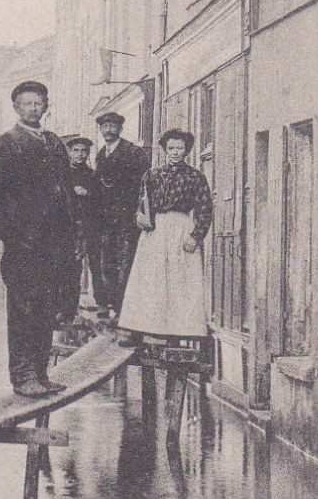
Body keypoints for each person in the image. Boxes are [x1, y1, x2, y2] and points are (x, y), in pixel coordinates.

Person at [0, 80, 74, 398]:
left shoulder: (55, 144)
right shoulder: (7, 144)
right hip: (22, 245)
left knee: (47, 308)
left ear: (46, 107)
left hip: (53, 243)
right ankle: (23, 376)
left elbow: (66, 193)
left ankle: (42, 374)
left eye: (39, 103)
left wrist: (69, 234)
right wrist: (10, 235)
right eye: (28, 103)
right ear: (17, 108)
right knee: (24, 309)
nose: (34, 108)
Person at [117, 128, 214, 339]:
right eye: (171, 148)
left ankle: (180, 330)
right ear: (164, 149)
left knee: (181, 279)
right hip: (156, 230)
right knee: (150, 278)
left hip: (181, 227)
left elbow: (205, 209)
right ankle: (143, 327)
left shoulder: (195, 176)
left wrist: (195, 236)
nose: (175, 152)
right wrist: (140, 217)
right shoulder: (152, 175)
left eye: (180, 148)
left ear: (187, 150)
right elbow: (140, 204)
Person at [91, 110, 149, 323]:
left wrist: (135, 210)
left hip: (126, 219)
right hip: (106, 221)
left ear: (120, 129)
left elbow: (141, 184)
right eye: (105, 127)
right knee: (107, 262)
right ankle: (111, 305)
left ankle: (124, 309)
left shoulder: (132, 153)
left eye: (112, 126)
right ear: (101, 130)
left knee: (126, 262)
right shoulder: (100, 154)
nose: (108, 130)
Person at [60, 134, 99, 325]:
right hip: (64, 228)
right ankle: (62, 312)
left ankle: (71, 313)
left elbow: (101, 203)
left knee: (85, 268)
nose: (80, 154)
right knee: (64, 270)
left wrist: (88, 193)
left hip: (87, 228)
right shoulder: (61, 175)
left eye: (84, 151)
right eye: (76, 150)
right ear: (69, 152)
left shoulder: (92, 176)